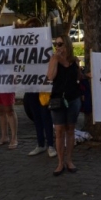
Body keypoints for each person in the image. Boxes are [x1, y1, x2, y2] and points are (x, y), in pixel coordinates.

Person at [16, 17, 56, 158]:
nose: (31, 29)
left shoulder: (45, 45)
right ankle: (40, 144)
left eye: (34, 27)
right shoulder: (23, 46)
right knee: (36, 116)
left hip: (43, 85)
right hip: (30, 84)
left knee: (45, 115)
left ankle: (51, 145)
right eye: (29, 27)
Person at [47, 35, 83, 176]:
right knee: (59, 131)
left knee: (70, 130)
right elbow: (50, 77)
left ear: (67, 45)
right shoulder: (53, 59)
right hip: (57, 100)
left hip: (73, 99)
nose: (58, 47)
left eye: (60, 44)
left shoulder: (74, 61)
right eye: (56, 44)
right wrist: (56, 60)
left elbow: (79, 77)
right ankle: (60, 162)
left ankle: (69, 160)